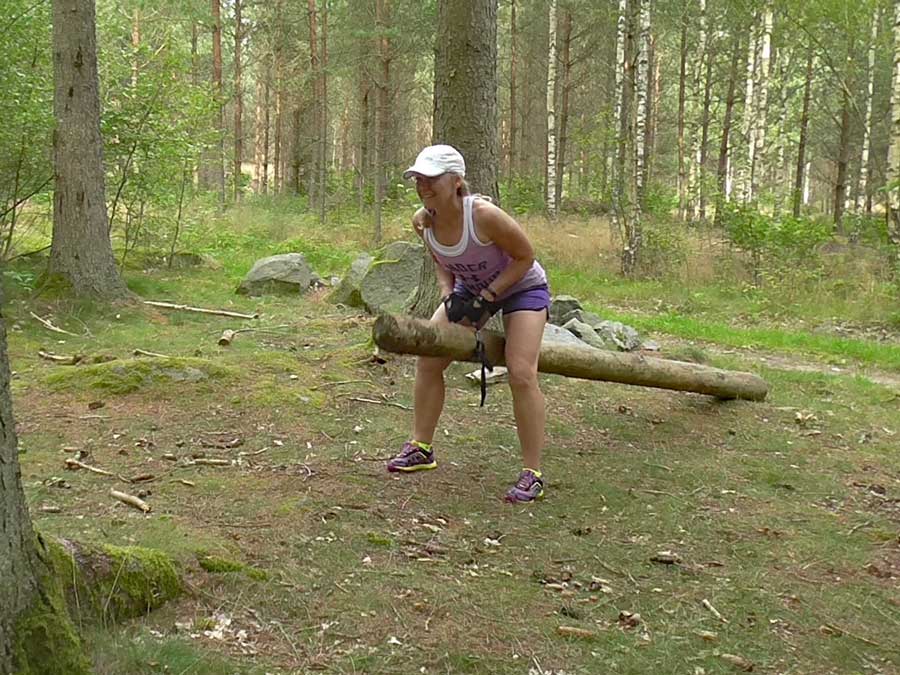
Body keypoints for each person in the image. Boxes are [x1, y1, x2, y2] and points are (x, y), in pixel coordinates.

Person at [386, 144, 551, 503]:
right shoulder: (423, 220)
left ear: (456, 182)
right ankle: (421, 448)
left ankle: (532, 473)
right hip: (471, 291)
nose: (423, 186)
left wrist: (489, 296)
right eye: (418, 179)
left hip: (522, 287)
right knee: (428, 357)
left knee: (522, 371)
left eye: (432, 179)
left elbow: (525, 257)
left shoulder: (484, 216)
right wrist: (449, 294)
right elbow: (440, 259)